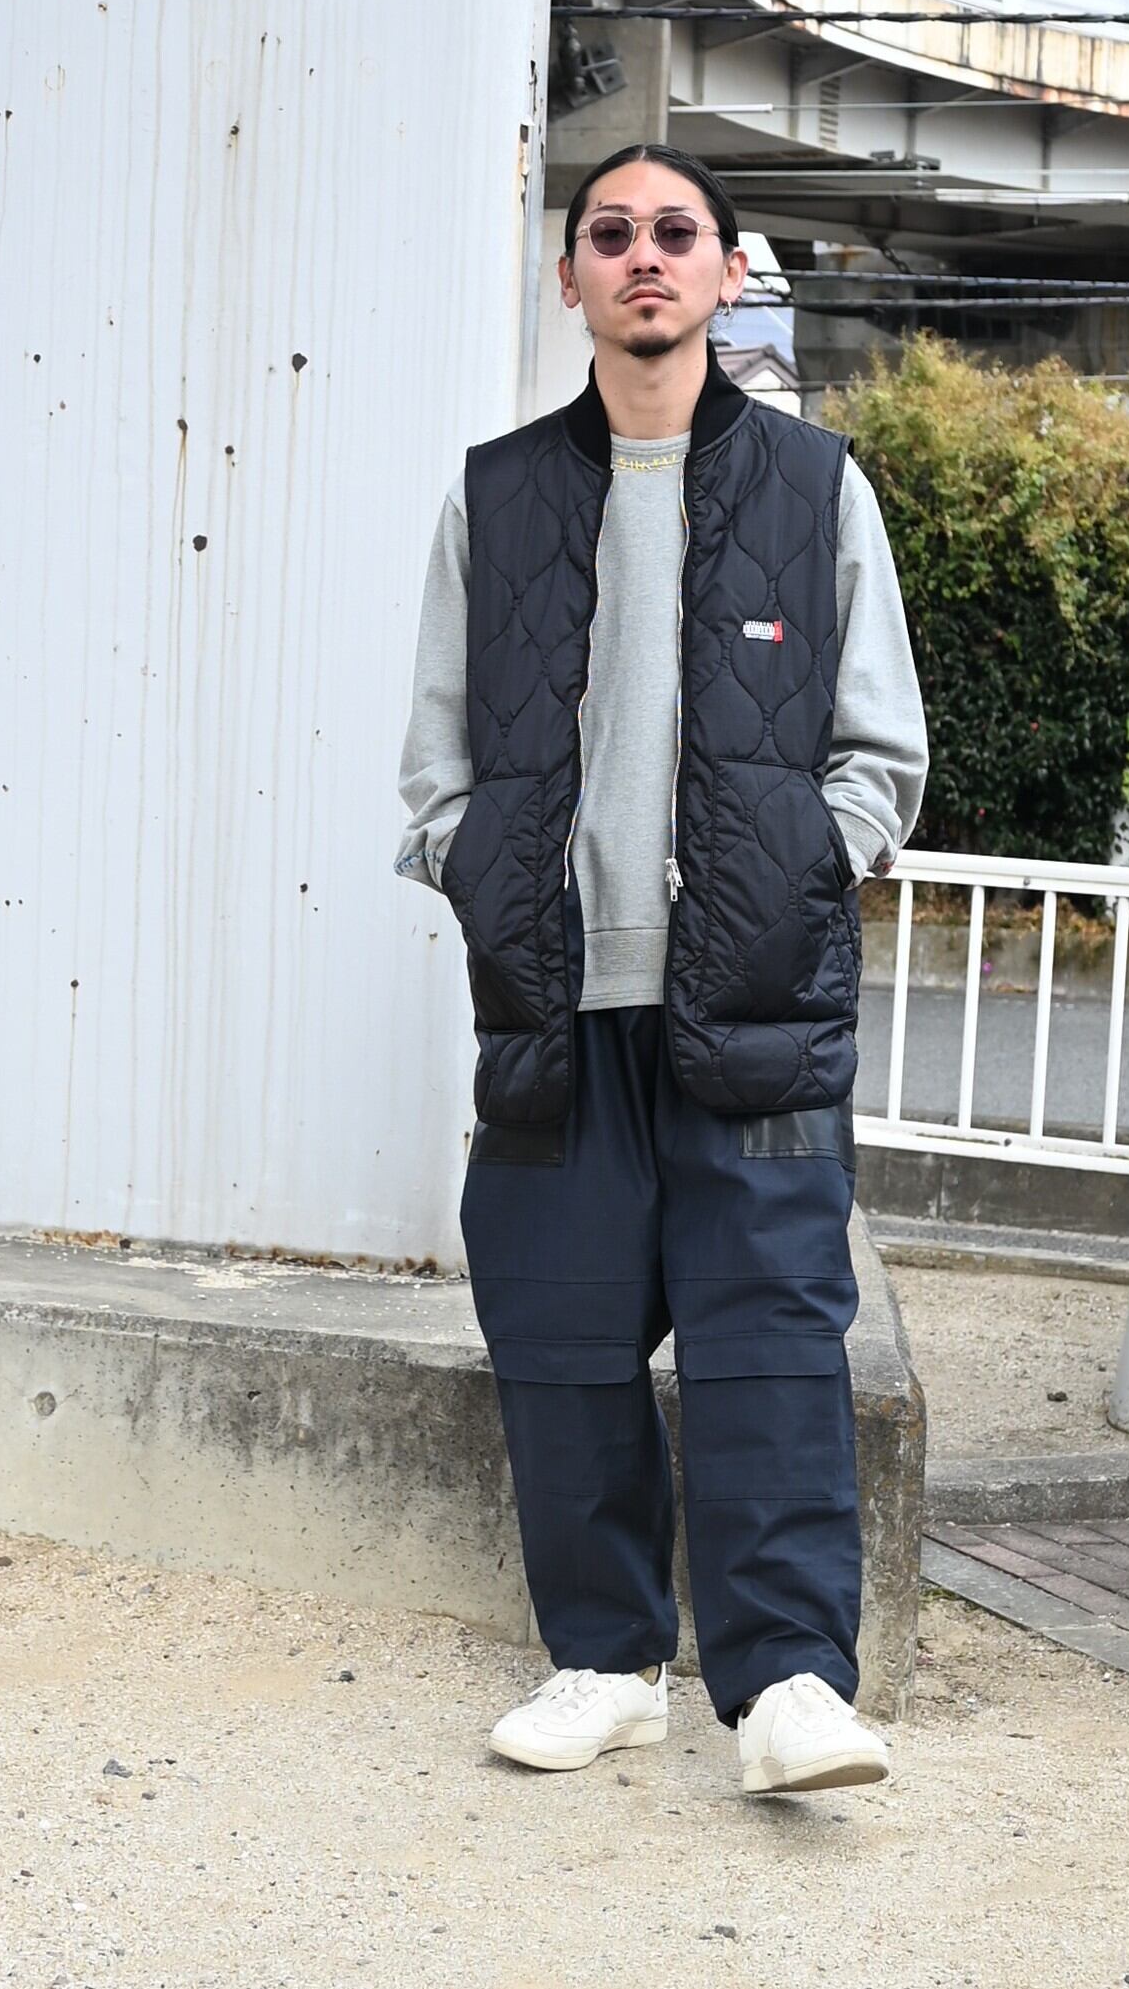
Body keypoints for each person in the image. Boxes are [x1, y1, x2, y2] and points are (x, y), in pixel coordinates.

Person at [394, 142, 927, 1795]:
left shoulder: (812, 486)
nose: (644, 256)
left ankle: (790, 1689)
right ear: (569, 279)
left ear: (726, 270)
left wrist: (804, 867)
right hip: (554, 999)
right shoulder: (495, 494)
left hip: (753, 998)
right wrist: (473, 864)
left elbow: (880, 753)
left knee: (769, 1340)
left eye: (674, 233)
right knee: (557, 1338)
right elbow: (435, 758)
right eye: (610, 234)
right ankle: (604, 1661)